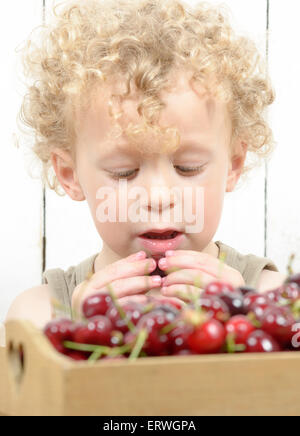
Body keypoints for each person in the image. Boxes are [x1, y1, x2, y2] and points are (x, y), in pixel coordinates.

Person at [3, 0, 286, 341]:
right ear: (69, 174)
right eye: (124, 172)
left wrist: (246, 325)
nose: (158, 197)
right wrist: (78, 336)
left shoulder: (270, 301)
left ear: (234, 164)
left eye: (187, 167)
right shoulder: (40, 315)